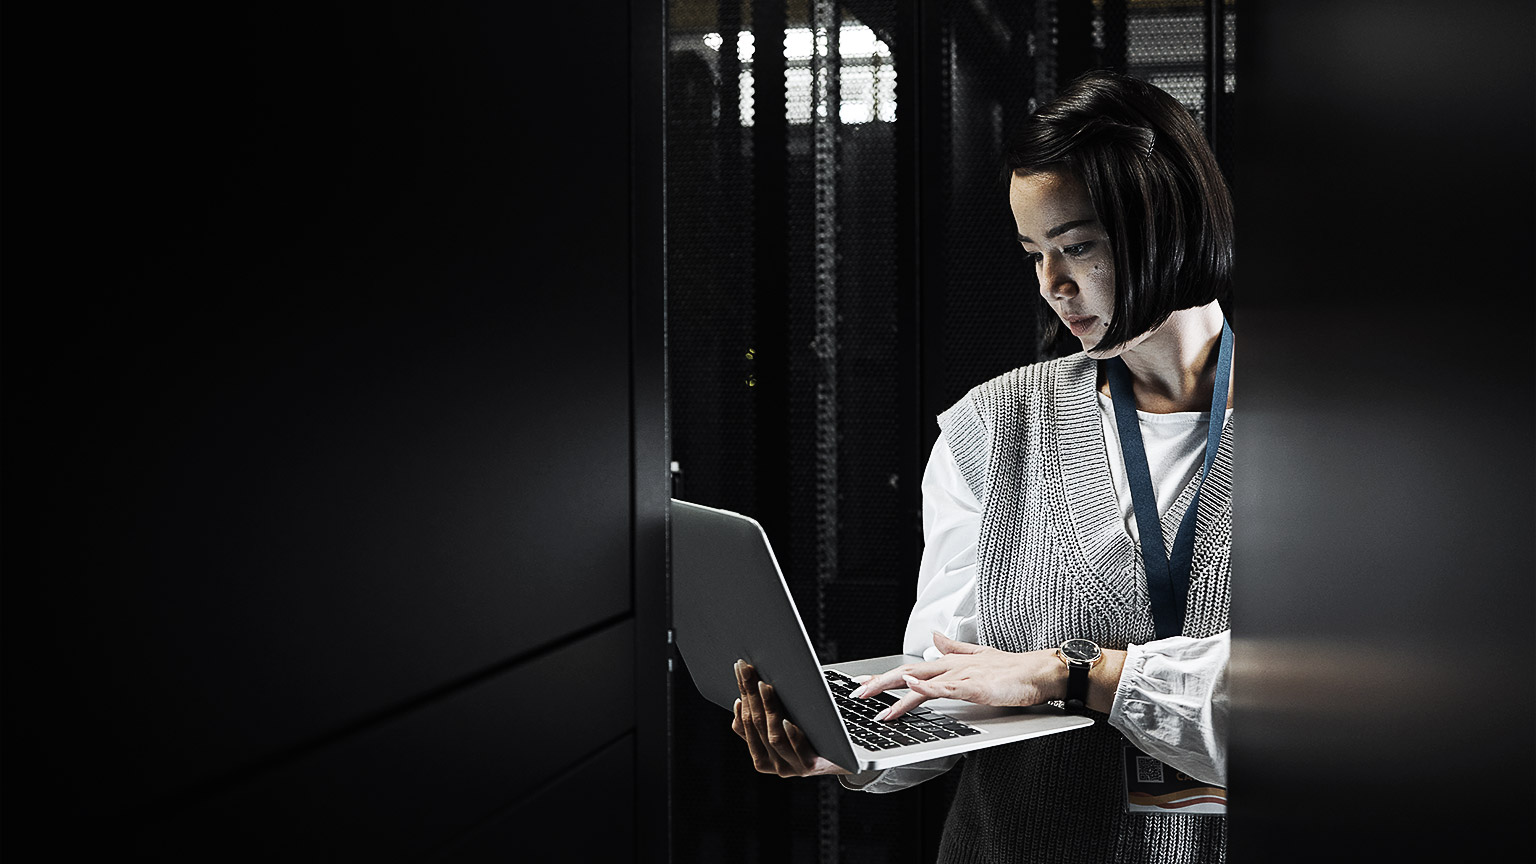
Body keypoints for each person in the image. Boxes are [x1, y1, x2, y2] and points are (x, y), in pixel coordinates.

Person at [731, 69, 1236, 863]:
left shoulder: (1335, 426)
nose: (1053, 286)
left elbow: (1324, 701)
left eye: (1077, 247)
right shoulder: (990, 426)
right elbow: (949, 678)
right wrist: (854, 750)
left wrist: (1073, 673)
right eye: (1034, 253)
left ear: (1166, 225)